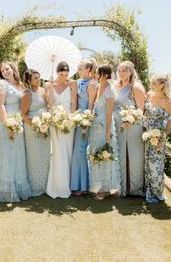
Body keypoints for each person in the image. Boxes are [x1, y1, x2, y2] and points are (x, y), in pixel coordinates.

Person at [0, 61, 31, 202]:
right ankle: (6, 190)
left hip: (18, 121)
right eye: (2, 70)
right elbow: (0, 105)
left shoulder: (19, 86)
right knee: (7, 154)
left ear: (13, 69)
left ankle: (19, 187)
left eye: (7, 69)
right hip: (5, 121)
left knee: (18, 154)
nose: (5, 72)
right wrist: (8, 124)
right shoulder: (2, 84)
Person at [113, 61, 145, 197]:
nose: (121, 73)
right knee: (120, 155)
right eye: (119, 70)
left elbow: (141, 110)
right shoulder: (115, 86)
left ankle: (134, 188)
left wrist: (130, 119)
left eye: (124, 71)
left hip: (132, 126)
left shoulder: (135, 87)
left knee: (133, 156)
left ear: (131, 72)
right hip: (118, 126)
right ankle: (122, 187)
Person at [45, 62, 77, 198]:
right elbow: (50, 103)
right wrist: (51, 86)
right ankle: (57, 185)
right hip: (55, 122)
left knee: (68, 151)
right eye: (61, 74)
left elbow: (74, 103)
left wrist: (70, 119)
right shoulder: (48, 84)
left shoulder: (72, 84)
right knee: (57, 152)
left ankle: (70, 184)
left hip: (69, 122)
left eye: (66, 74)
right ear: (57, 72)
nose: (64, 77)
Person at [88, 65, 121, 200]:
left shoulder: (110, 90)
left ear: (105, 75)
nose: (95, 75)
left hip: (105, 126)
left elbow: (108, 113)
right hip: (95, 127)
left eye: (97, 73)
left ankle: (105, 189)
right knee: (96, 154)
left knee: (104, 154)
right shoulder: (97, 87)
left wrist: (108, 133)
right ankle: (98, 186)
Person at [144, 74, 171, 203]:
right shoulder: (149, 94)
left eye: (154, 83)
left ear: (162, 85)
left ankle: (156, 193)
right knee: (146, 164)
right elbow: (145, 113)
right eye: (152, 83)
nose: (152, 85)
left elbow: (170, 122)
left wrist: (161, 136)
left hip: (158, 138)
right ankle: (148, 191)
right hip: (146, 134)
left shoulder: (167, 102)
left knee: (156, 165)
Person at [21, 69, 50, 196]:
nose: (38, 80)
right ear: (28, 80)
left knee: (45, 155)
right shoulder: (27, 93)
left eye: (39, 77)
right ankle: (35, 185)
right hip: (32, 128)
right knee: (34, 156)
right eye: (35, 78)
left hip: (44, 126)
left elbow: (48, 105)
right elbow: (23, 114)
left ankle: (44, 185)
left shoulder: (42, 91)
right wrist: (36, 124)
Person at [70, 58, 97, 196]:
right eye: (78, 68)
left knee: (80, 152)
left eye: (81, 68)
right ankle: (75, 184)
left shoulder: (92, 84)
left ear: (88, 69)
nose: (78, 71)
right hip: (76, 119)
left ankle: (83, 187)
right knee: (76, 152)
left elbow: (91, 106)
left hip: (85, 121)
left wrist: (86, 122)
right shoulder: (78, 82)